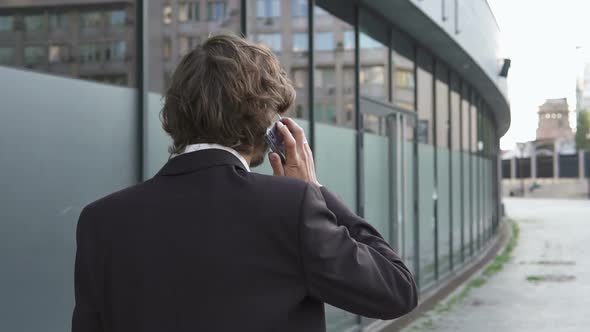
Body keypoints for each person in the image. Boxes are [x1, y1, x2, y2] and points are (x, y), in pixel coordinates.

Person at [72, 34, 417, 332]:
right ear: (268, 128)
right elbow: (397, 290)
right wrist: (316, 191)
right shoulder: (293, 208)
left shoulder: (101, 221)